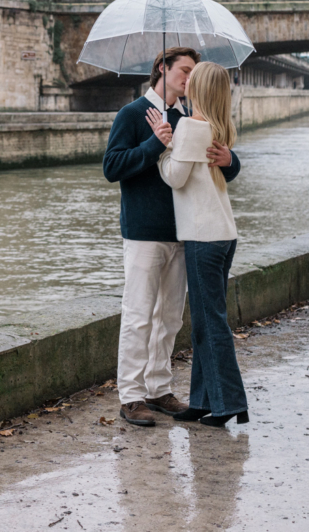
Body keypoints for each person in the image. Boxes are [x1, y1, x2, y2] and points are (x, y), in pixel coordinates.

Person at [103, 46, 240, 427]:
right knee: (137, 315)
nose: (189, 78)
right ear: (161, 69)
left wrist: (232, 162)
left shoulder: (189, 116)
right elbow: (111, 167)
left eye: (194, 73)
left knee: (170, 318)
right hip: (144, 232)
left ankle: (159, 388)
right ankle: (131, 396)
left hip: (185, 233)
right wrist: (153, 144)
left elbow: (213, 173)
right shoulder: (131, 114)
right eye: (183, 70)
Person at [159, 61, 249, 426]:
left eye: (191, 78)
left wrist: (164, 149)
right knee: (204, 324)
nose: (186, 81)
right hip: (222, 233)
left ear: (200, 88)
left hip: (203, 236)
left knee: (210, 324)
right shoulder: (217, 125)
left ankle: (229, 405)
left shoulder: (190, 126)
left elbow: (175, 178)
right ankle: (202, 401)